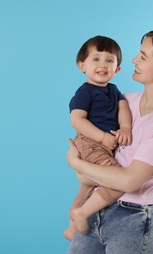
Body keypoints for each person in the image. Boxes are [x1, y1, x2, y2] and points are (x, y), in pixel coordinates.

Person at [65, 30, 153, 254]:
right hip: (95, 209)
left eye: (143, 56)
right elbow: (89, 155)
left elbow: (129, 181)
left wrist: (75, 163)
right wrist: (84, 170)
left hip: (132, 220)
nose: (133, 60)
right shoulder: (124, 101)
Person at [63, 35, 133, 241]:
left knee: (86, 188)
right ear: (81, 65)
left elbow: (123, 108)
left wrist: (126, 128)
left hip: (104, 146)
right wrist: (102, 138)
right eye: (96, 59)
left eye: (109, 61)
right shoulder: (85, 92)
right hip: (90, 143)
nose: (103, 65)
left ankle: (71, 227)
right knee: (117, 181)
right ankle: (81, 213)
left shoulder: (113, 91)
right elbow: (77, 120)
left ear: (117, 69)